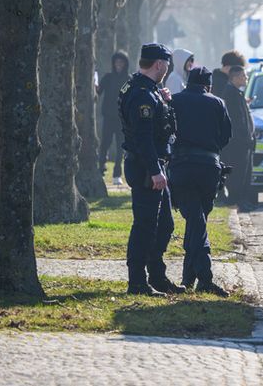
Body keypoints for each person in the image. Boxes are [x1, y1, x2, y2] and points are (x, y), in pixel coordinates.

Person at [119, 43, 182, 296]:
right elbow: (143, 138)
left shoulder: (145, 89)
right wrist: (155, 171)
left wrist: (165, 102)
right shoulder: (143, 95)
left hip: (154, 167)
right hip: (146, 168)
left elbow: (166, 127)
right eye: (166, 64)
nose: (167, 69)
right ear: (159, 64)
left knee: (164, 224)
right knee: (145, 226)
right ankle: (137, 282)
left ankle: (157, 275)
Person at [169, 67, 233, 295]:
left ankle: (192, 278)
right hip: (208, 168)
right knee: (198, 222)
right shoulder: (217, 103)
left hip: (181, 167)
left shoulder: (174, 101)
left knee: (195, 222)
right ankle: (202, 278)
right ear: (209, 85)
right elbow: (226, 136)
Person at [219, 65, 255, 206]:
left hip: (243, 142)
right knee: (237, 173)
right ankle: (236, 200)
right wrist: (243, 139)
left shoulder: (236, 93)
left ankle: (241, 200)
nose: (246, 78)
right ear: (235, 77)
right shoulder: (230, 94)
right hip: (237, 143)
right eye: (243, 76)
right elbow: (235, 121)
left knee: (243, 173)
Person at [97, 52, 130, 185]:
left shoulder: (128, 80)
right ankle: (101, 169)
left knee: (120, 146)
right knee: (105, 143)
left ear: (125, 64)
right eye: (116, 62)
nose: (118, 65)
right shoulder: (107, 78)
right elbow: (98, 91)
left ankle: (117, 174)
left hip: (122, 119)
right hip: (108, 117)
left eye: (121, 62)